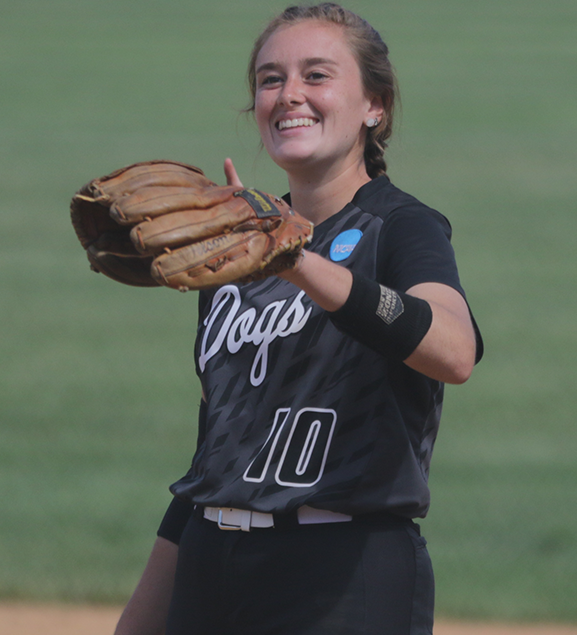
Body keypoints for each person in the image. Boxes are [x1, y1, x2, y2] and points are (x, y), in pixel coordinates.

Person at [114, 4, 482, 633]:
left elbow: (453, 350)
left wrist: (297, 261)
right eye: (270, 79)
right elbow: (216, 455)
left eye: (316, 76)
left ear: (376, 106)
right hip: (211, 561)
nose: (289, 96)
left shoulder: (398, 226)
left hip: (341, 572)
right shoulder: (234, 243)